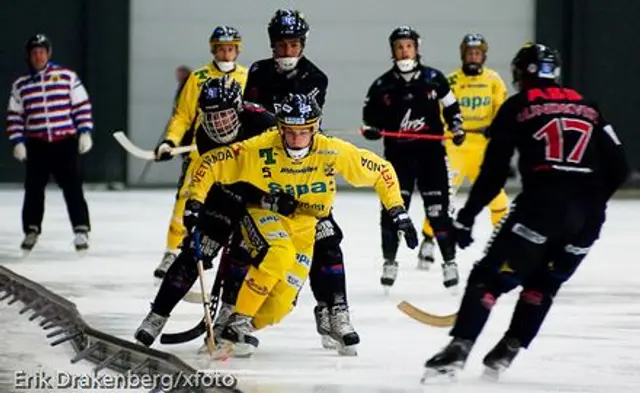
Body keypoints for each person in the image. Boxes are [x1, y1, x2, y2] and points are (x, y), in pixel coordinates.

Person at [135, 93, 418, 358]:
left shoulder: (332, 150)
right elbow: (209, 164)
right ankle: (234, 320)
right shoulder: (260, 146)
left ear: (315, 127)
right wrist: (195, 202)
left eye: (304, 131)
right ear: (280, 128)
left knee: (280, 304)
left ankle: (232, 331)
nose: (296, 139)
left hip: (307, 223)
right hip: (263, 213)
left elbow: (382, 170)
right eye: (290, 131)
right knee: (276, 252)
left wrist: (398, 212)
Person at [422, 43, 629, 381]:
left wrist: (466, 216)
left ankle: (458, 350)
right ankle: (508, 349)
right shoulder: (588, 106)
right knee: (543, 284)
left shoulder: (517, 106)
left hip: (541, 207)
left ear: (521, 75)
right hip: (588, 216)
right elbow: (619, 167)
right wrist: (589, 201)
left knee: (488, 279)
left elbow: (494, 173)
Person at [243, 9, 358, 352]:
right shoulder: (258, 71)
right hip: (263, 173)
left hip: (302, 173)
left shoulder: (316, 77)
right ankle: (233, 317)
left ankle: (334, 311)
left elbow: (301, 123)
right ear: (272, 44)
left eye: (294, 45)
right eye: (281, 45)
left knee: (326, 237)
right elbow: (249, 119)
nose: (287, 52)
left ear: (303, 44)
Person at [361, 26, 465, 290]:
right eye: (399, 46)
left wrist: (457, 128)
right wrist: (372, 129)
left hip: (431, 156)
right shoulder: (382, 84)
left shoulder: (435, 78)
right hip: (398, 158)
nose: (404, 50)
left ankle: (449, 262)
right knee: (392, 211)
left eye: (408, 45)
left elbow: (452, 107)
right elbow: (370, 118)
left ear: (417, 48)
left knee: (438, 211)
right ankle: (390, 261)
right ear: (392, 50)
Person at [153, 26, 248, 278]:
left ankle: (235, 261)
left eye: (230, 49)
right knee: (187, 200)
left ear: (237, 50)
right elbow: (183, 115)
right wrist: (170, 141)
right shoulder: (198, 77)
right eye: (220, 49)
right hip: (201, 153)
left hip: (236, 156)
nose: (225, 54)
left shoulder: (248, 77)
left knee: (238, 207)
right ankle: (172, 252)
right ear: (212, 50)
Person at [419, 33, 510, 270]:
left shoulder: (494, 80)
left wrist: (496, 128)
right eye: (469, 53)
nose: (473, 57)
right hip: (456, 147)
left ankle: (504, 245)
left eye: (477, 53)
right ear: (463, 54)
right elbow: (440, 112)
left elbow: (502, 109)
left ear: (483, 56)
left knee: (497, 198)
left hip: (483, 149)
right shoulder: (450, 81)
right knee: (443, 197)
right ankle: (428, 240)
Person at [6, 34, 93, 253]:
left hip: (64, 142)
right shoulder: (21, 85)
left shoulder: (66, 77)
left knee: (73, 187)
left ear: (49, 53)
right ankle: (31, 228)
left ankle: (81, 229)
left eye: (42, 52)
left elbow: (81, 106)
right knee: (33, 189)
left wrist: (85, 132)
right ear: (29, 56)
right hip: (37, 143)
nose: (39, 56)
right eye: (35, 52)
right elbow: (14, 116)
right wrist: (17, 141)